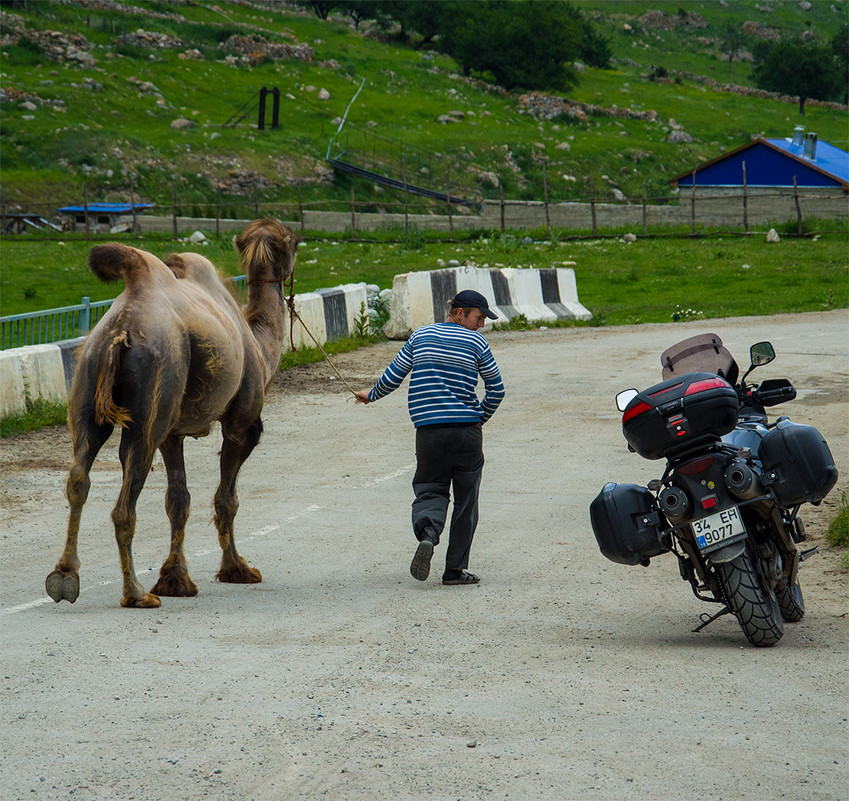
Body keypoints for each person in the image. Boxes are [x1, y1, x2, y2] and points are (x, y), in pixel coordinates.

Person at [355, 289, 505, 586]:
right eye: (479, 317)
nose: (482, 325)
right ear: (459, 313)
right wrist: (478, 419)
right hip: (467, 435)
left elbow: (394, 376)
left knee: (430, 490)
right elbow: (497, 389)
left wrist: (370, 395)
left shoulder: (420, 337)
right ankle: (454, 571)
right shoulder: (478, 343)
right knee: (466, 502)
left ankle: (428, 534)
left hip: (430, 433)